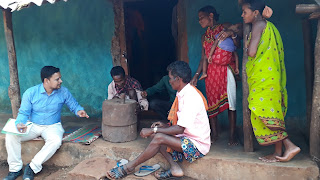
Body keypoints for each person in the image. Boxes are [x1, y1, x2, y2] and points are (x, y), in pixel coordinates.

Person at [105, 61, 210, 179]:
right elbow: (181, 125)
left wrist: (154, 130)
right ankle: (175, 168)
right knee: (157, 134)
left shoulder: (190, 97)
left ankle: (128, 167)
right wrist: (164, 125)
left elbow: (180, 129)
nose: (169, 81)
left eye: (170, 78)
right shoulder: (183, 93)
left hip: (196, 145)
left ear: (178, 79)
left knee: (158, 136)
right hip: (186, 137)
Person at [3, 66, 89, 180]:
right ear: (46, 80)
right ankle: (15, 169)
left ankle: (32, 167)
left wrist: (79, 111)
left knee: (55, 141)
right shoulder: (31, 93)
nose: (61, 81)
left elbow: (74, 105)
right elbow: (23, 112)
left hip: (53, 126)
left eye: (60, 78)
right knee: (11, 135)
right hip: (33, 125)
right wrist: (20, 123)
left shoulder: (63, 92)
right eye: (57, 79)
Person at [241, 0, 300, 162]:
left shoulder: (258, 25)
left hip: (263, 79)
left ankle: (290, 146)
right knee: (272, 112)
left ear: (256, 13)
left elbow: (252, 52)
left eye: (245, 12)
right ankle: (277, 153)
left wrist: (246, 45)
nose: (242, 15)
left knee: (260, 110)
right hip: (271, 77)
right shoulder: (269, 26)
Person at [191, 5, 240, 146]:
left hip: (226, 69)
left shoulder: (225, 27)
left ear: (211, 16)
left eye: (201, 18)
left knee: (231, 102)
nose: (199, 21)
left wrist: (232, 33)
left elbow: (237, 43)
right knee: (212, 103)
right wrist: (196, 75)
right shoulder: (204, 37)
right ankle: (215, 133)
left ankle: (232, 135)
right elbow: (203, 58)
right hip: (211, 72)